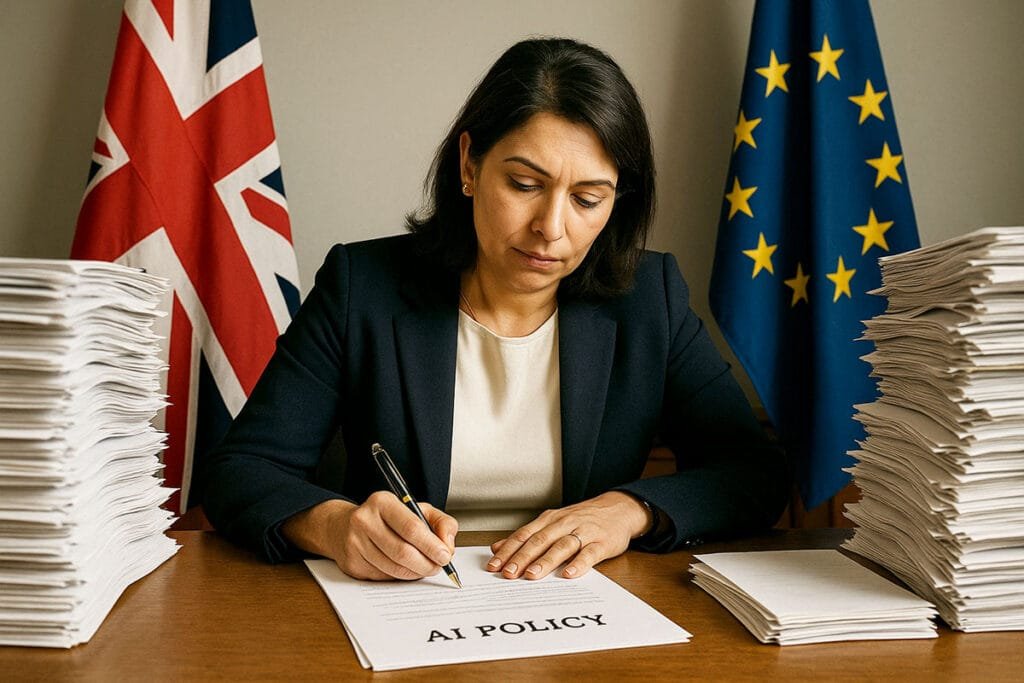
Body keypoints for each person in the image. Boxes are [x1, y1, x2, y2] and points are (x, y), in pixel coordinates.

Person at [203, 37, 789, 583]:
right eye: (525, 184)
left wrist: (629, 510)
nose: (551, 229)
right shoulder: (364, 286)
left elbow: (755, 475)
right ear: (469, 165)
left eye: (588, 199)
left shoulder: (648, 297)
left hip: (579, 609)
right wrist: (332, 525)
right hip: (406, 603)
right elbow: (242, 470)